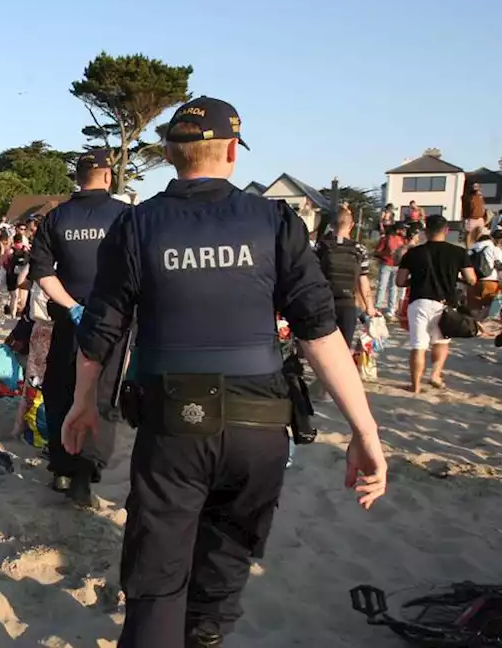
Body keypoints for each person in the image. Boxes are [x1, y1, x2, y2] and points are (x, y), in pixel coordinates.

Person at [61, 97, 388, 647]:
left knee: (157, 582)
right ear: (233, 152)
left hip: (172, 429)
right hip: (256, 429)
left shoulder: (137, 225)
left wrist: (82, 402)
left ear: (169, 154)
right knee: (223, 573)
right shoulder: (274, 219)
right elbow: (319, 332)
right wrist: (365, 429)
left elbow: (100, 330)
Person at [27, 148, 129, 507]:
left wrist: (72, 307)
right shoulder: (126, 215)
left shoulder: (57, 217)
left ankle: (61, 467)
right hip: (112, 322)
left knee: (61, 391)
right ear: (107, 176)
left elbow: (41, 271)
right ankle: (84, 476)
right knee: (102, 396)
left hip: (69, 321)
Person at [397, 214, 476, 393]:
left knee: (418, 346)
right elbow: (471, 279)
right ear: (447, 231)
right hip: (445, 303)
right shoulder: (458, 252)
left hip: (419, 301)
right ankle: (435, 374)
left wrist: (416, 280)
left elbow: (400, 281)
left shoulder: (414, 252)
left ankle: (415, 386)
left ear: (426, 231)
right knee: (441, 342)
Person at [314, 206, 377, 349]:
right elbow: (363, 281)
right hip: (347, 303)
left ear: (332, 225)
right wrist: (369, 306)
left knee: (324, 346)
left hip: (324, 303)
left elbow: (312, 275)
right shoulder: (358, 249)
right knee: (344, 347)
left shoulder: (321, 247)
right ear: (352, 225)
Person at [466, 225, 501, 318]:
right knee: (489, 311)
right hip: (490, 282)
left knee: (474, 311)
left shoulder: (472, 248)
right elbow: (499, 266)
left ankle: (475, 328)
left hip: (473, 282)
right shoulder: (494, 248)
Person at [372, 223, 406, 317]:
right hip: (386, 264)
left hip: (396, 266)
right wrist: (386, 254)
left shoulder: (401, 240)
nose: (403, 231)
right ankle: (378, 307)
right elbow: (377, 251)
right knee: (382, 286)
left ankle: (391, 309)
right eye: (402, 229)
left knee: (393, 288)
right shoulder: (386, 238)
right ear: (397, 230)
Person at [463, 183, 487, 247]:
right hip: (471, 218)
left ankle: (476, 247)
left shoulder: (480, 196)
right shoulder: (468, 196)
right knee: (469, 233)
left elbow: (482, 206)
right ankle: (467, 248)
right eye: (474, 186)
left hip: (480, 218)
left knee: (479, 234)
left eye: (477, 186)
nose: (476, 187)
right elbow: (466, 207)